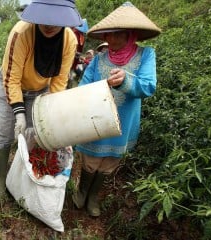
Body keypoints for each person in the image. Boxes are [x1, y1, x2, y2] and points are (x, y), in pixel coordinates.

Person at [72, 1, 161, 217]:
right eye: (107, 35)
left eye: (116, 34)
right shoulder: (99, 59)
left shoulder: (145, 55)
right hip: (95, 120)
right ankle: (82, 191)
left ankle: (93, 196)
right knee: (90, 163)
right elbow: (84, 85)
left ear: (129, 34)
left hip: (123, 122)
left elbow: (148, 86)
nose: (109, 40)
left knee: (108, 164)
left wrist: (126, 81)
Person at [0, 0, 82, 199]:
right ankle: (0, 178)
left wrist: (52, 112)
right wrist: (19, 114)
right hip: (11, 83)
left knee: (34, 133)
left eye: (55, 20)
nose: (49, 25)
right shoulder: (22, 33)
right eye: (44, 18)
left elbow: (60, 80)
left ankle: (24, 173)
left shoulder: (69, 40)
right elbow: (12, 78)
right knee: (6, 132)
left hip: (40, 88)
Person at [68, 18, 89, 88]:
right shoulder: (75, 33)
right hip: (70, 57)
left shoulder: (81, 35)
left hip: (75, 59)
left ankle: (69, 85)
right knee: (68, 72)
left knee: (71, 72)